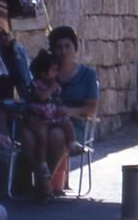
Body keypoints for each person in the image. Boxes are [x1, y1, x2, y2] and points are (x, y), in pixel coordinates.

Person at [49, 25, 101, 191]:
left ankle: (50, 183)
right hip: (46, 121)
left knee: (56, 135)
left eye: (67, 46)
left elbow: (91, 109)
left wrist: (70, 112)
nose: (63, 51)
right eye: (58, 47)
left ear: (75, 48)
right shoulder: (46, 73)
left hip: (75, 126)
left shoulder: (88, 75)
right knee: (30, 134)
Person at [15, 51, 69, 200]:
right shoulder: (37, 85)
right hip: (37, 119)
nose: (56, 73)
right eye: (53, 70)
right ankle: (42, 175)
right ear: (43, 73)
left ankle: (44, 181)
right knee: (29, 137)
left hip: (52, 121)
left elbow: (58, 102)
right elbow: (38, 98)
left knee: (56, 136)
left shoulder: (57, 84)